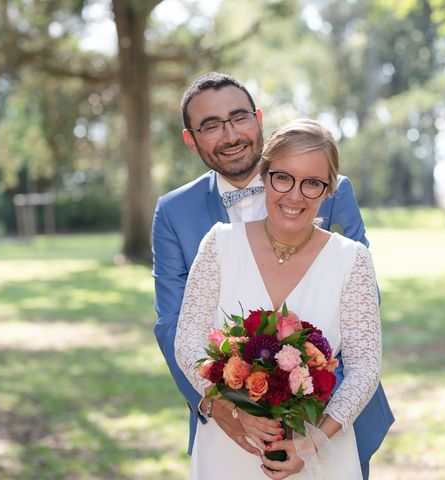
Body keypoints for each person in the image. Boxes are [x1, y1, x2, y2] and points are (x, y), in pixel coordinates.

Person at [152, 72, 394, 478]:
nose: (230, 134)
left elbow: (361, 310)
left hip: (330, 422)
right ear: (191, 139)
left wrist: (317, 427)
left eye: (238, 117)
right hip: (229, 427)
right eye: (210, 125)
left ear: (258, 118)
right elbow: (174, 325)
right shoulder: (178, 214)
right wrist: (219, 405)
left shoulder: (331, 186)